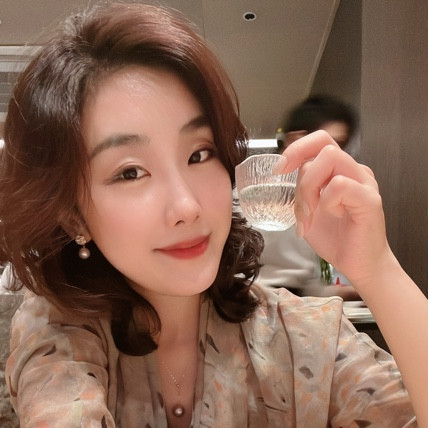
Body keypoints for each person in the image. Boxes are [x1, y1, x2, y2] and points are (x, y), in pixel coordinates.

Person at [0, 3, 427, 427]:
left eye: (199, 154)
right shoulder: (58, 336)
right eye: (130, 172)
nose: (187, 206)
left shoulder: (304, 338)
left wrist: (378, 270)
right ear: (73, 217)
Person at [256, 94, 361, 300]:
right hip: (251, 305)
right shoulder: (252, 199)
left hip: (298, 308)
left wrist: (358, 287)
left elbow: (308, 283)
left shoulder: (321, 201)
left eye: (342, 146)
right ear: (295, 140)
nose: (338, 155)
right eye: (330, 144)